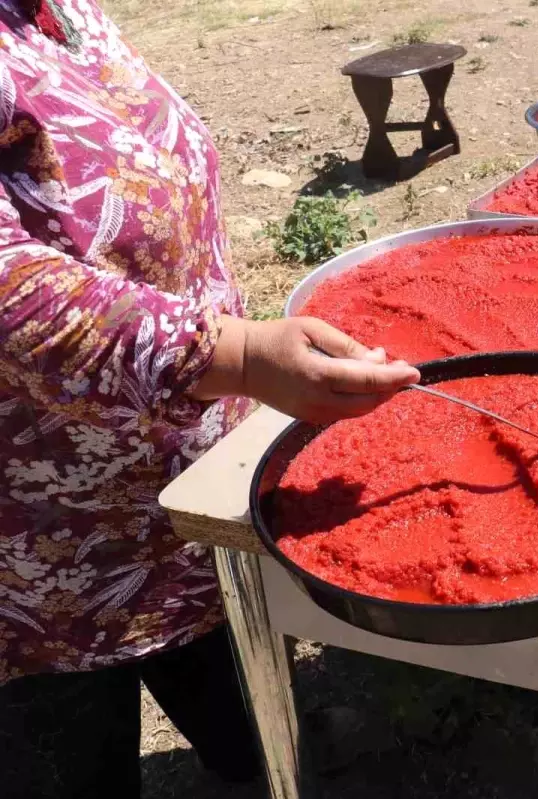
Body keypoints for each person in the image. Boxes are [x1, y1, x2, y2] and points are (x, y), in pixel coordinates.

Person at [0, 0, 419, 795]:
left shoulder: (52, 10)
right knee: (72, 757)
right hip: (47, 546)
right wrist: (240, 354)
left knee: (256, 717)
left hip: (188, 484)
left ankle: (270, 757)